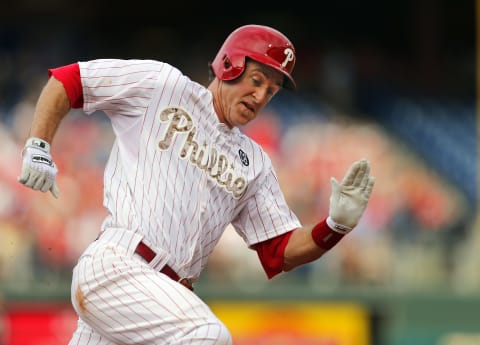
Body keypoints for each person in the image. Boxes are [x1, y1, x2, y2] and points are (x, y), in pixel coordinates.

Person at [17, 24, 375, 345]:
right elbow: (71, 79)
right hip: (120, 265)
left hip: (160, 300)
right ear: (228, 65)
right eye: (257, 79)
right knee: (208, 335)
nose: (263, 95)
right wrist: (38, 145)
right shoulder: (164, 86)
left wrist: (335, 226)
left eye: (273, 89)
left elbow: (279, 250)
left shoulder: (254, 162)